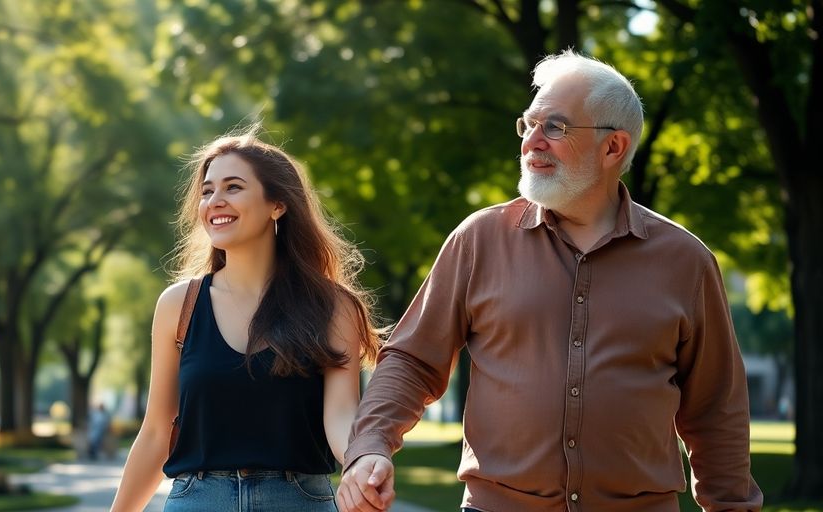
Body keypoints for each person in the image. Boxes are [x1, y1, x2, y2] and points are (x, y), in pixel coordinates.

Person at [337, 50, 763, 512]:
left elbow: (715, 409)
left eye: (555, 127)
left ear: (613, 147)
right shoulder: (480, 239)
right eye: (528, 124)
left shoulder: (686, 261)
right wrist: (371, 446)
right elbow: (413, 360)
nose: (532, 142)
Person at [110, 128, 382, 511]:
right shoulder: (179, 305)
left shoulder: (333, 306)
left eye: (233, 187)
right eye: (207, 191)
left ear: (278, 205)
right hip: (198, 501)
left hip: (299, 501)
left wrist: (362, 460)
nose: (214, 201)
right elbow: (157, 430)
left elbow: (339, 416)